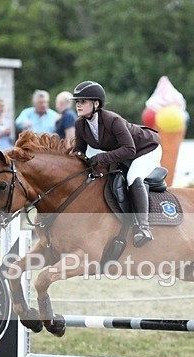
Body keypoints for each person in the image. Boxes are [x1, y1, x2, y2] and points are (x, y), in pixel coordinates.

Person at [71, 80, 161, 247]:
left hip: (146, 149)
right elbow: (79, 151)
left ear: (96, 103)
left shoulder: (113, 120)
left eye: (83, 101)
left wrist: (101, 158)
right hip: (123, 154)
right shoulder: (80, 124)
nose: (78, 105)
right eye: (77, 102)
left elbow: (129, 150)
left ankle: (143, 227)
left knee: (133, 177)